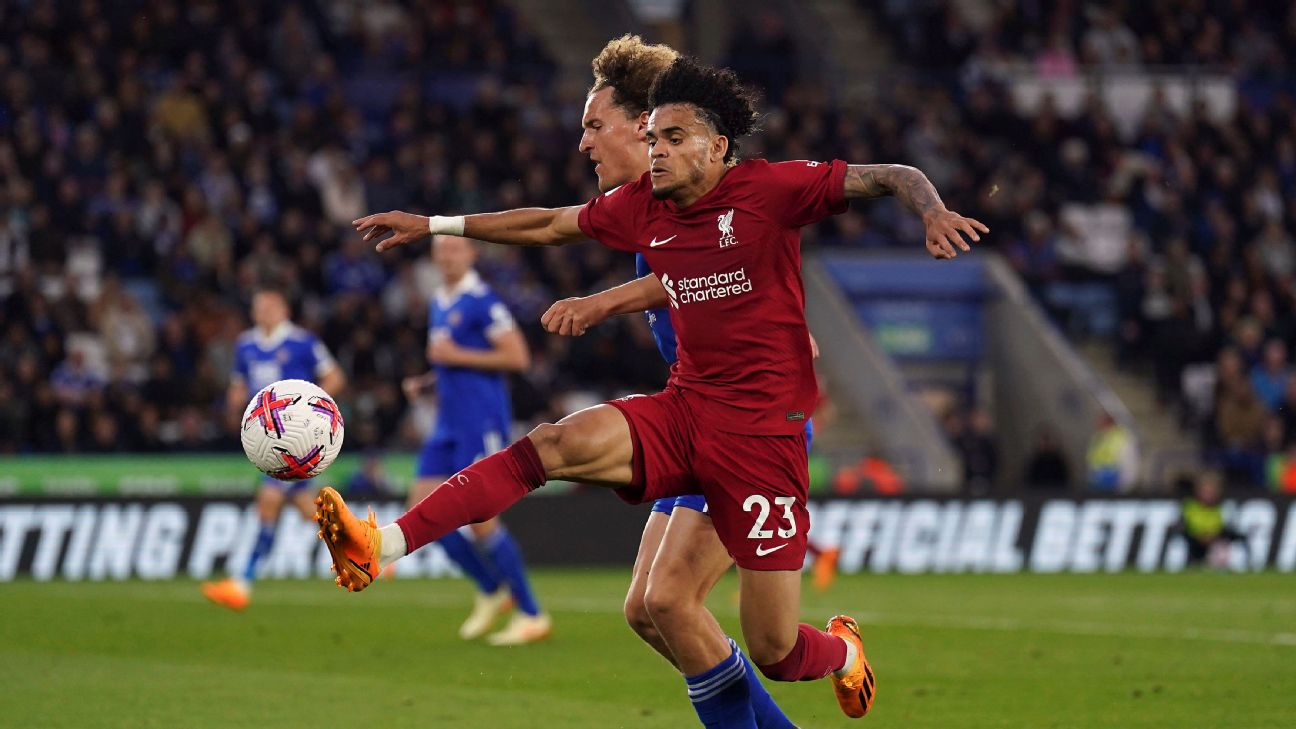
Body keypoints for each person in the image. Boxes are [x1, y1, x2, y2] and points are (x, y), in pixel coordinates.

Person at [329, 55, 985, 723]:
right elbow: (551, 224)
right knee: (559, 451)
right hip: (688, 406)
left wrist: (932, 213)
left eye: (670, 138)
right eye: (655, 140)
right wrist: (434, 224)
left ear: (718, 145)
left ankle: (842, 652)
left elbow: (892, 175)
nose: (655, 150)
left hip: (763, 437)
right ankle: (381, 544)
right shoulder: (643, 206)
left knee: (774, 648)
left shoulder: (772, 190)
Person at [535, 34, 799, 727]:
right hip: (697, 414)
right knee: (646, 611)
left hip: (747, 424)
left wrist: (604, 302)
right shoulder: (649, 214)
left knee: (674, 601)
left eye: (597, 126)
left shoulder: (696, 203)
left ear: (642, 124)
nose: (586, 143)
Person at [399, 234, 549, 646]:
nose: (446, 256)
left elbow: (516, 357)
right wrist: (429, 382)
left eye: (454, 248)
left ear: (471, 253)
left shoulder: (483, 301)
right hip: (447, 422)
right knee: (420, 509)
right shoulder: (439, 300)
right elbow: (452, 361)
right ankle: (489, 587)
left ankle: (532, 613)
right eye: (440, 250)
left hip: (481, 421)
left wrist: (453, 358)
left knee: (482, 521)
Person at [202, 288, 345, 610]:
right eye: (259, 307)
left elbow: (335, 377)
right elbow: (239, 384)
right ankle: (364, 547)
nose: (264, 312)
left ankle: (242, 583)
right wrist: (235, 399)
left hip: (297, 441)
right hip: (268, 439)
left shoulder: (302, 342)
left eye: (269, 307)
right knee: (307, 509)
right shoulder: (246, 345)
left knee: (268, 502)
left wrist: (309, 410)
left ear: (283, 309)